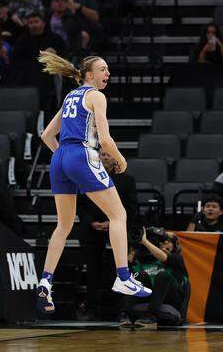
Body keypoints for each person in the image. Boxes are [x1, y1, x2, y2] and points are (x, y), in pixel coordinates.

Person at [36, 51, 151, 317]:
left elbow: (45, 135)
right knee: (118, 214)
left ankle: (45, 281)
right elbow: (106, 140)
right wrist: (121, 160)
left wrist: (65, 162)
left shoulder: (69, 97)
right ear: (89, 74)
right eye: (103, 69)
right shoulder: (96, 96)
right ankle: (123, 276)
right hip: (80, 153)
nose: (107, 73)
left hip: (60, 157)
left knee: (63, 225)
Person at [77, 150, 137, 319]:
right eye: (101, 155)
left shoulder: (126, 180)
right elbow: (81, 205)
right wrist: (90, 221)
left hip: (116, 229)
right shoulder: (87, 177)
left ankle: (122, 310)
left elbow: (131, 209)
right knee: (92, 271)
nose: (103, 158)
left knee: (120, 270)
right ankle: (91, 308)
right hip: (92, 230)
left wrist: (113, 222)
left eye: (107, 155)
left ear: (115, 158)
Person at [124, 229, 189, 326]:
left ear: (175, 246)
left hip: (171, 302)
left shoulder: (177, 259)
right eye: (163, 241)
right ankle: (126, 314)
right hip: (149, 301)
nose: (165, 243)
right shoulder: (142, 261)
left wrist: (145, 242)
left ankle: (152, 315)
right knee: (140, 275)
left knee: (162, 275)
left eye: (169, 242)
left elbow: (163, 257)